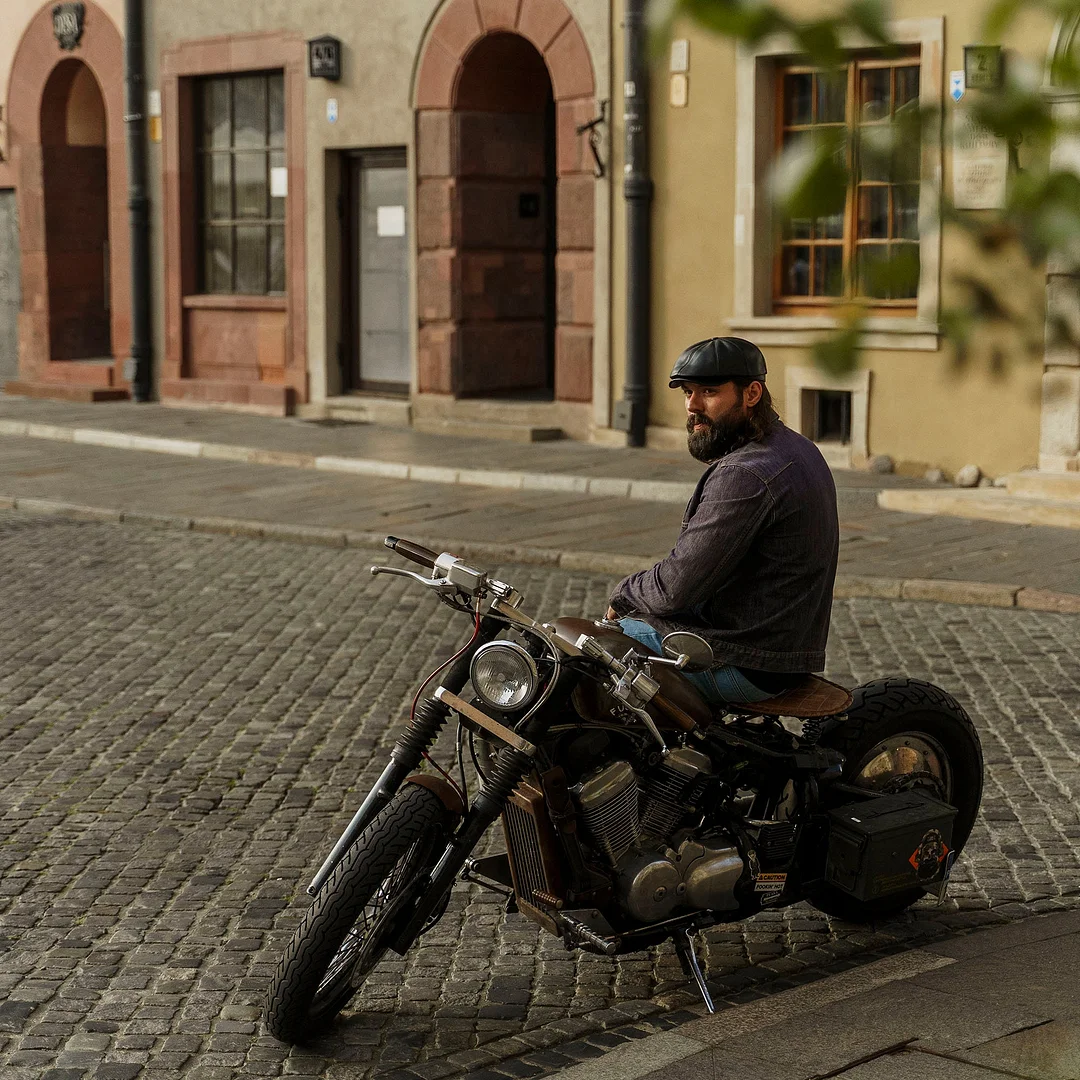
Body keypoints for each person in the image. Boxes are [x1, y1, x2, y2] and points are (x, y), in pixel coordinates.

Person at [605, 337, 839, 706]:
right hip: (780, 652)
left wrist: (624, 592)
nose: (692, 405)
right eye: (688, 392)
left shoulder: (746, 473)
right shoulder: (796, 446)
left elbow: (674, 588)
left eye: (709, 392)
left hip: (744, 659)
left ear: (752, 394)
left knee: (590, 650)